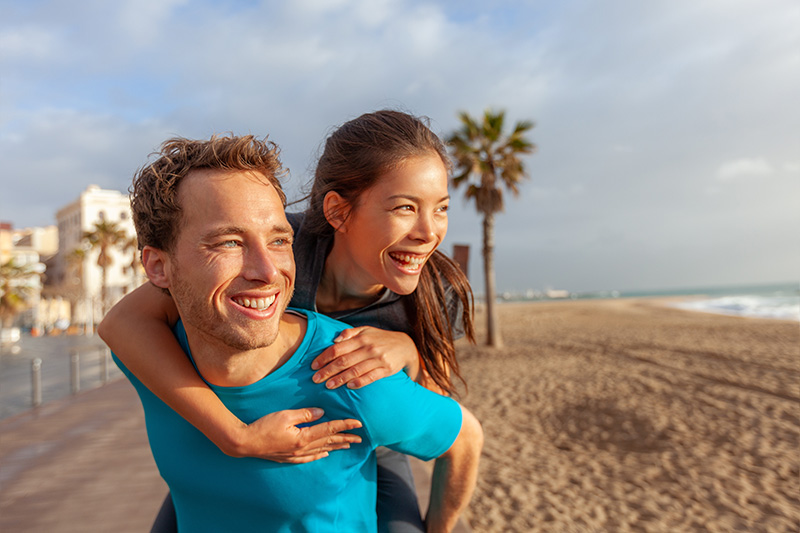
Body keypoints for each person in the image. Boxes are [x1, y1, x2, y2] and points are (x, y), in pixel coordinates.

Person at [100, 111, 478, 532]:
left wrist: (409, 350)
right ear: (337, 211)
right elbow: (122, 323)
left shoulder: (437, 292)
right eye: (405, 207)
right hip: (240, 427)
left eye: (441, 208)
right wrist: (234, 436)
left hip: (373, 429)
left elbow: (443, 410)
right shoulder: (288, 245)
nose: (428, 232)